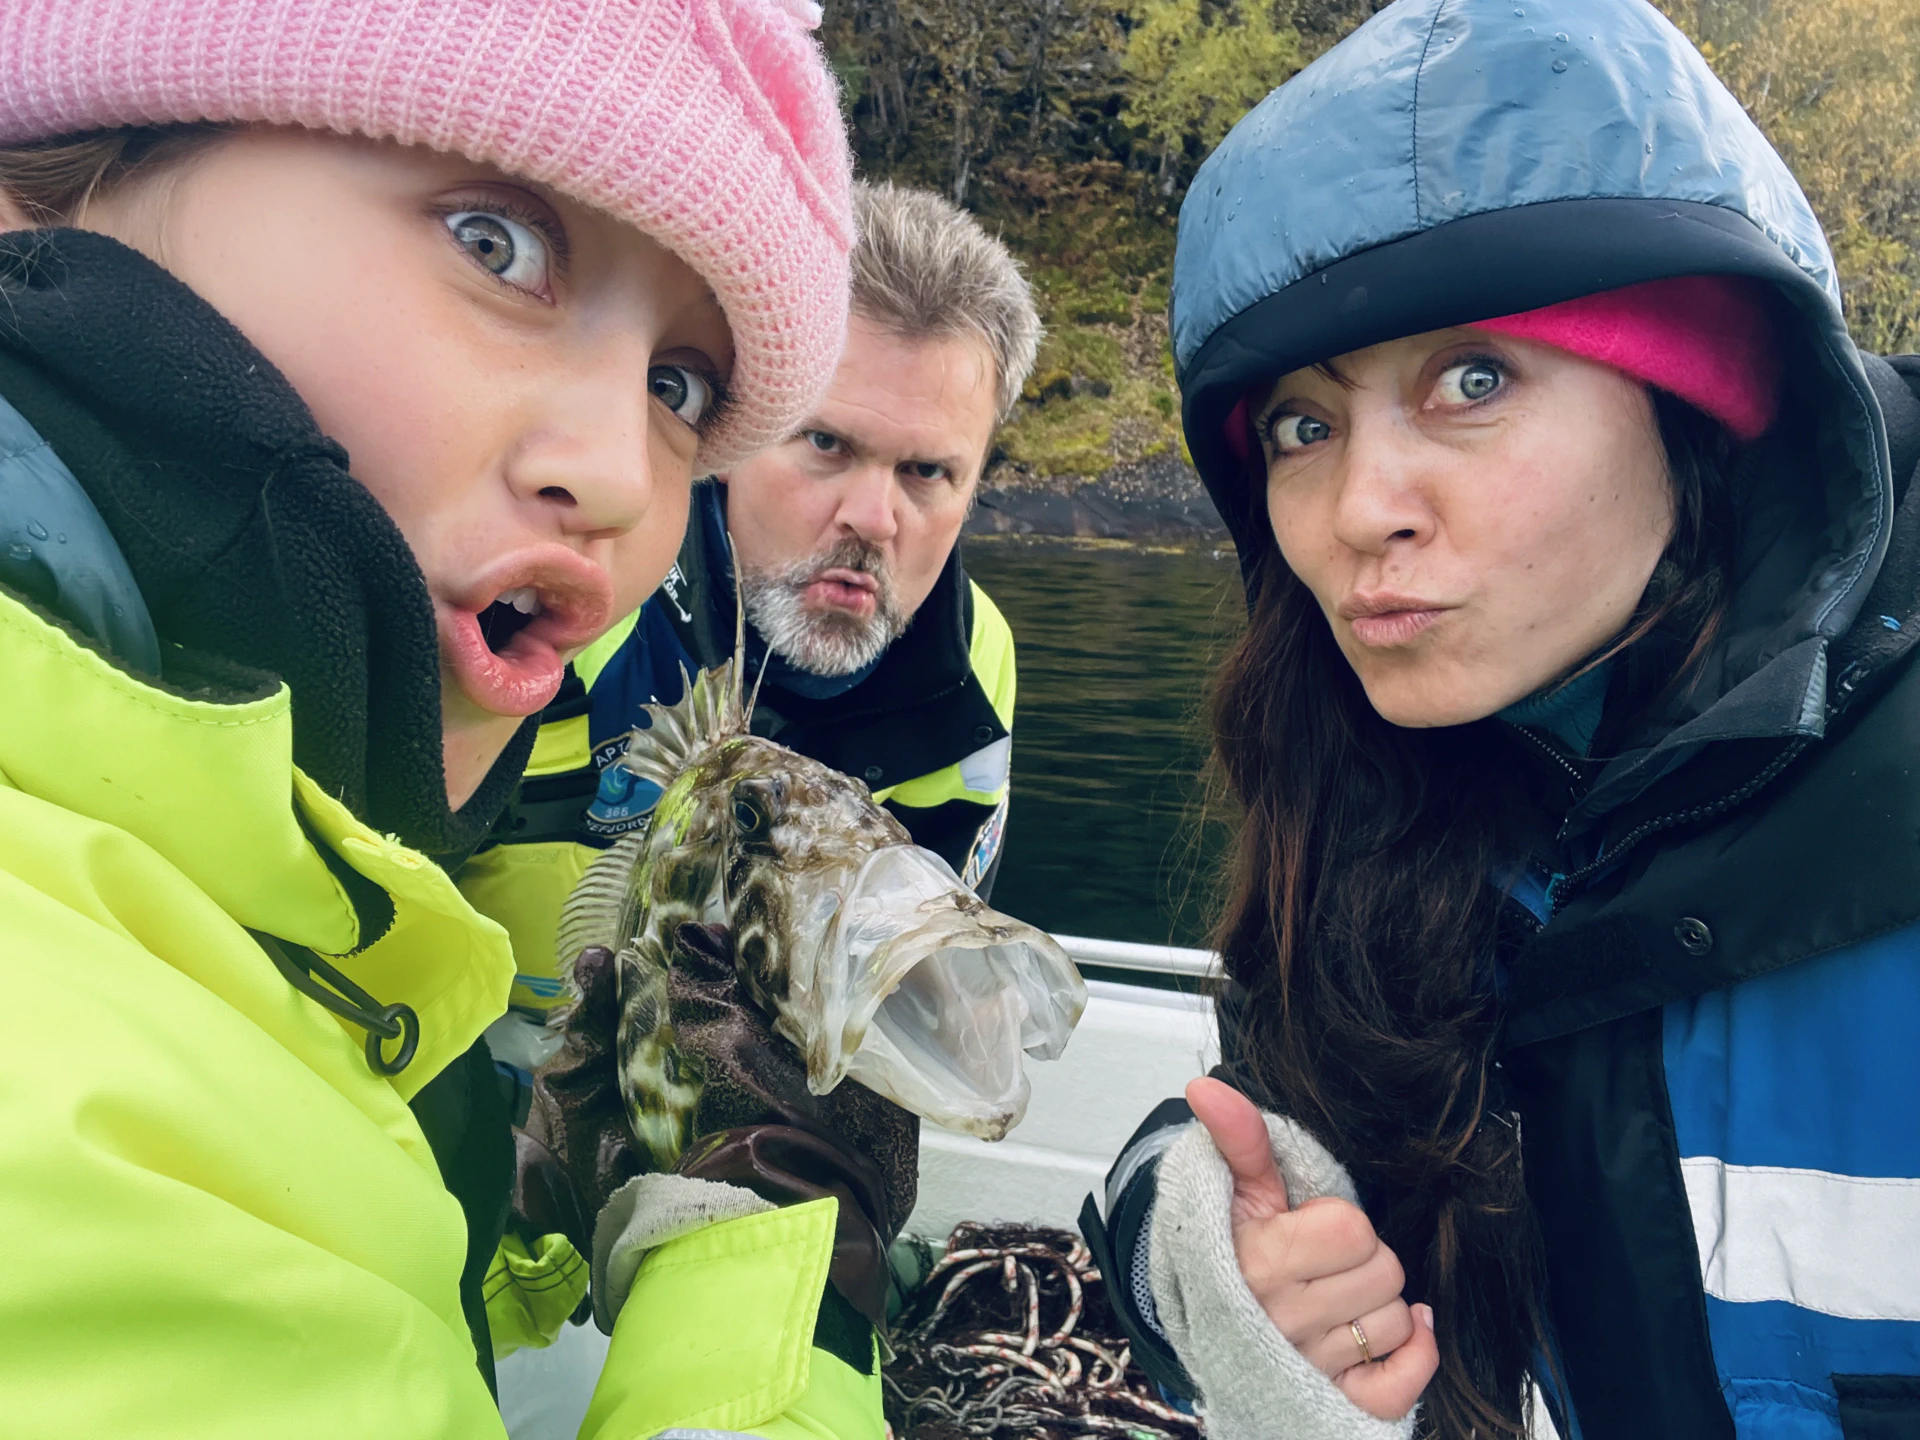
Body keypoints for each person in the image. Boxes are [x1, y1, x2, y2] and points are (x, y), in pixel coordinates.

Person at [0, 3, 909, 1437]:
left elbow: (354, 1265)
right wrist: (762, 1248)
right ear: (34, 195)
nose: (619, 475)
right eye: (497, 244)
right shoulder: (62, 1120)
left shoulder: (277, 918)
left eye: (680, 387)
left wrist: (523, 1172)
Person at [1080, 1, 1920, 1437]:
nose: (1358, 511)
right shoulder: (1427, 800)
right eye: (1303, 423)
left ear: (1700, 406)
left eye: (1473, 381)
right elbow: (1247, 1117)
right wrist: (1204, 1255)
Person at [461, 179, 1040, 1032]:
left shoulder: (975, 655)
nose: (873, 521)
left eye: (928, 473)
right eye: (826, 443)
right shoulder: (563, 587)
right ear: (735, 429)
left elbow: (920, 970)